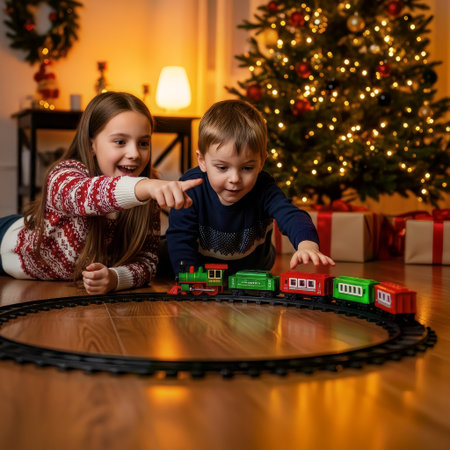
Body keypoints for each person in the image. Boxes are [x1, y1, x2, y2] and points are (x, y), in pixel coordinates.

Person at [0, 92, 202, 294]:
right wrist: (145, 187)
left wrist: (115, 278)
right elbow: (83, 197)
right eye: (120, 142)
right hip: (7, 244)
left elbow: (147, 262)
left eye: (143, 143)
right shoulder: (64, 174)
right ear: (91, 144)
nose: (134, 154)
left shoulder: (145, 192)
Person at [166, 99, 334, 274]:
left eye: (247, 168)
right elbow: (180, 237)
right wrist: (190, 278)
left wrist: (307, 245)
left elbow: (291, 216)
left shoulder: (264, 189)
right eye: (222, 168)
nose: (235, 178)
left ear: (261, 163)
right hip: (205, 270)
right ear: (202, 161)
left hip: (255, 269)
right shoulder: (191, 188)